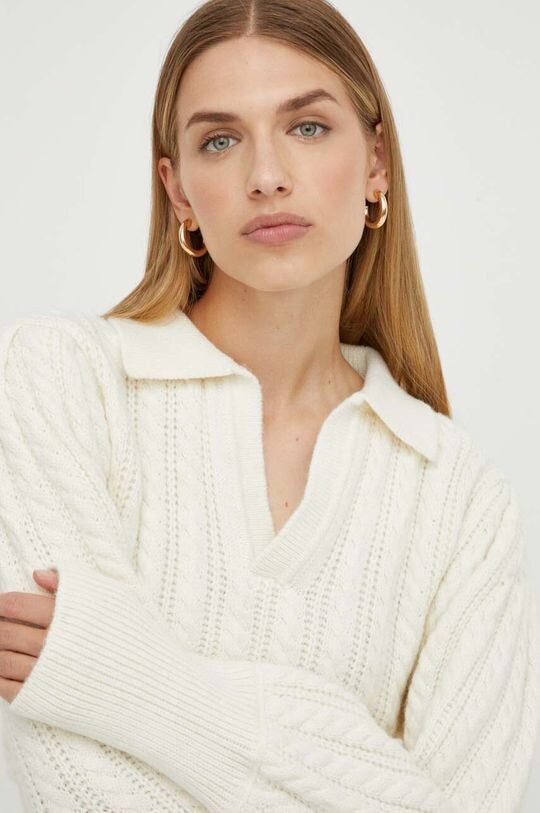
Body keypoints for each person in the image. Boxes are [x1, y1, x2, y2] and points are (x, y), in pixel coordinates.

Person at [0, 0, 538, 810]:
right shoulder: (56, 382)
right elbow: (72, 785)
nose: (266, 175)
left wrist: (146, 684)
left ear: (377, 162)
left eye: (308, 127)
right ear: (178, 191)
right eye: (220, 140)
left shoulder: (458, 498)